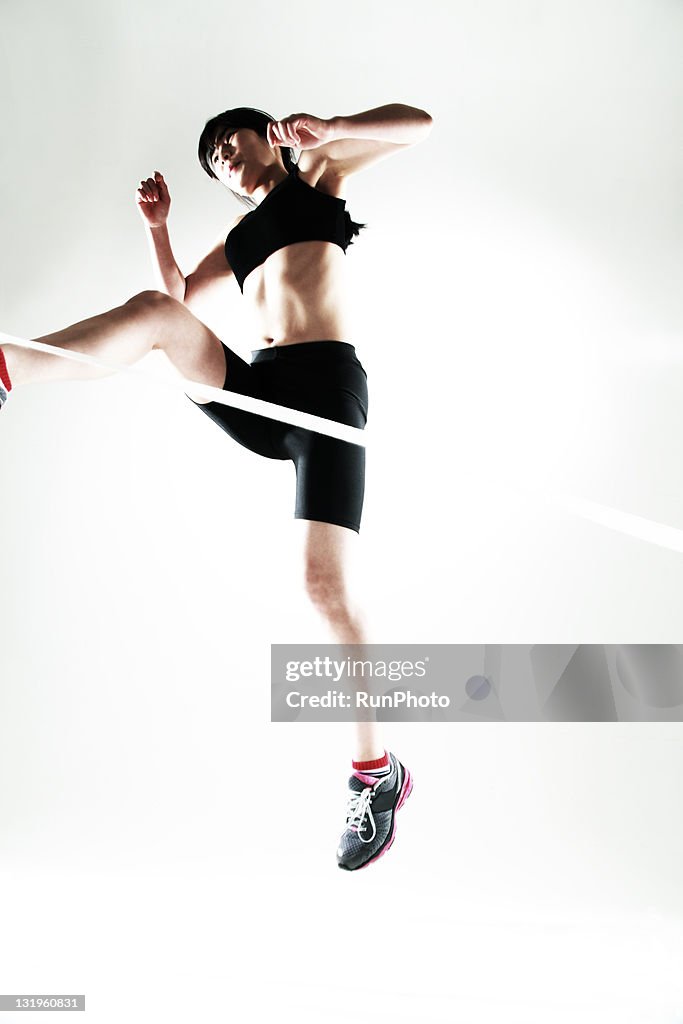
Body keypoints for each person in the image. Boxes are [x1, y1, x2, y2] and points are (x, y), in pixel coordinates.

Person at [0, 102, 433, 870]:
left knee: (324, 590)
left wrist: (329, 125)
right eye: (212, 161)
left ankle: (376, 773)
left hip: (327, 391)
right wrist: (158, 226)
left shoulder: (322, 181)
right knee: (157, 316)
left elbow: (419, 126)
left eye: (226, 144)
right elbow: (179, 294)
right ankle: (8, 368)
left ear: (265, 135)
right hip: (258, 392)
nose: (221, 160)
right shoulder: (238, 238)